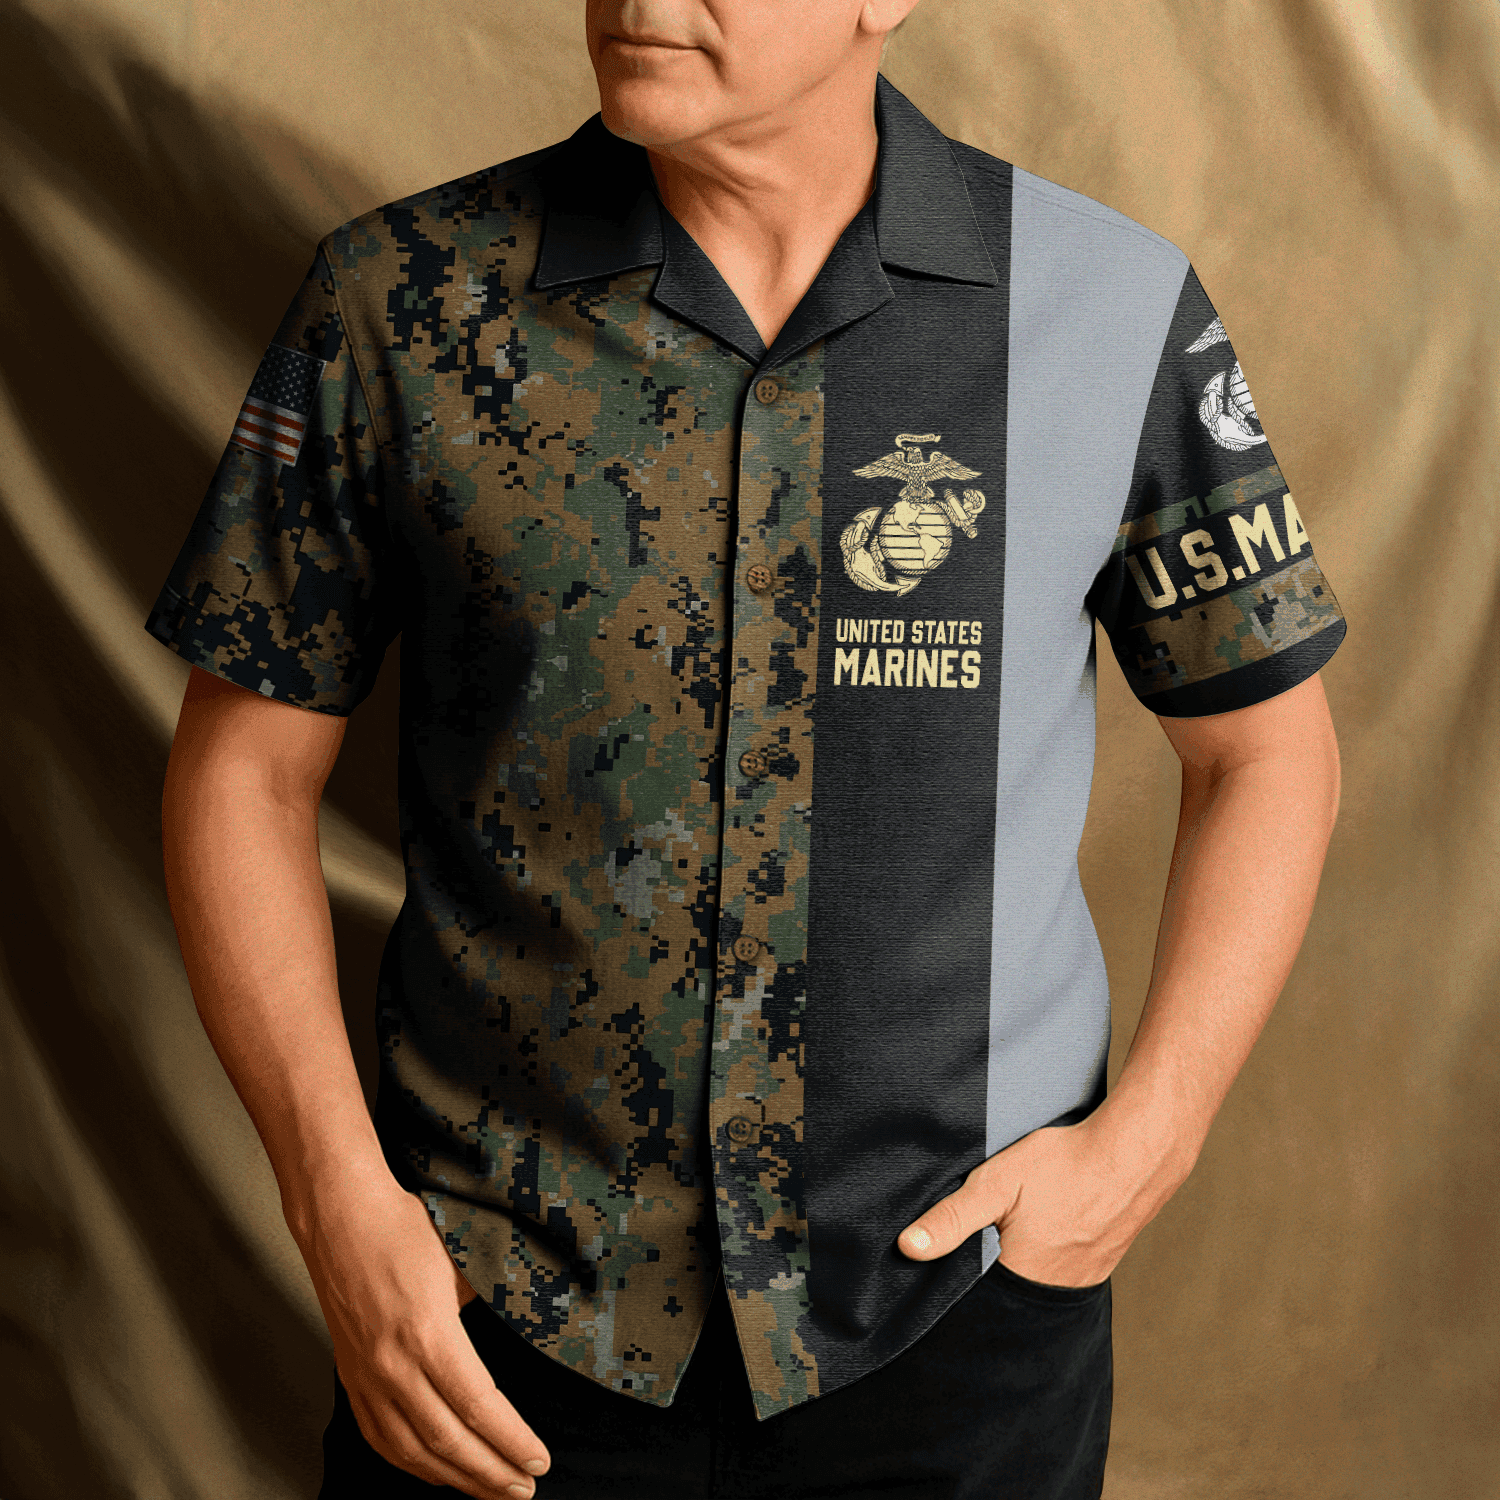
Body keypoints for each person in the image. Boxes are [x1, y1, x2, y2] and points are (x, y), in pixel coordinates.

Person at [150, 1, 1346, 1496]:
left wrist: (1145, 1144)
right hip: (493, 1311)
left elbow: (1266, 753)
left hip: (952, 1314)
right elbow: (243, 775)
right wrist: (335, 1202)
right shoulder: (401, 301)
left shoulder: (1107, 306)